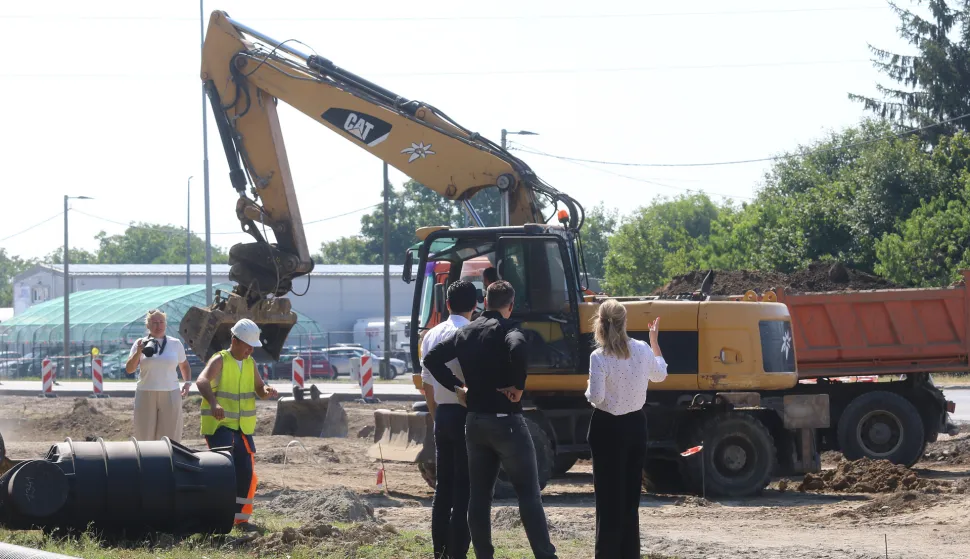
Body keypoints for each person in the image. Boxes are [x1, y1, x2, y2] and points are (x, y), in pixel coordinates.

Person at [424, 281, 558, 559]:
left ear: (484, 301)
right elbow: (518, 347)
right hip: (506, 420)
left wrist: (457, 388)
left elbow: (433, 359)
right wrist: (518, 386)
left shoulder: (466, 332)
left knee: (479, 496)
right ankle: (545, 555)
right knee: (528, 493)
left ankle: (484, 555)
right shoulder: (509, 329)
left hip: (474, 422)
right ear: (511, 305)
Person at [584, 299, 668, 559]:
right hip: (635, 426)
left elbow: (596, 397)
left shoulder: (599, 357)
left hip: (606, 427)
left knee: (608, 498)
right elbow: (660, 375)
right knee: (631, 498)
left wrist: (587, 389)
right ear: (624, 322)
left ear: (600, 324)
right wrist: (654, 341)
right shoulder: (642, 349)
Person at [195, 318, 278, 531]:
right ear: (235, 341)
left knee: (246, 472)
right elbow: (202, 381)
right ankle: (217, 520)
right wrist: (214, 403)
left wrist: (266, 391)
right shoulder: (220, 360)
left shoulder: (250, 363)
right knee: (224, 473)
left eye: (253, 347)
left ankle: (240, 520)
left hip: (243, 428)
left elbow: (259, 388)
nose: (251, 351)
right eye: (248, 346)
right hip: (220, 426)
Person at [420, 280, 477, 559]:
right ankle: (458, 551)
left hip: (442, 412)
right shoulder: (472, 333)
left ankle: (439, 550)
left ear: (447, 303)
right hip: (466, 412)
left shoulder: (431, 335)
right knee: (465, 487)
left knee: (443, 488)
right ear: (475, 305)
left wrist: (436, 416)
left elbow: (427, 385)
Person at [125, 309, 192, 442]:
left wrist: (187, 383)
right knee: (145, 434)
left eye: (161, 322)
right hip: (146, 392)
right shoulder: (140, 343)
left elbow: (184, 365)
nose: (158, 325)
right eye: (154, 322)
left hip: (171, 392)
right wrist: (138, 352)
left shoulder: (175, 343)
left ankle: (169, 455)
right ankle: (146, 455)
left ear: (165, 324)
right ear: (148, 325)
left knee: (171, 435)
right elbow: (129, 369)